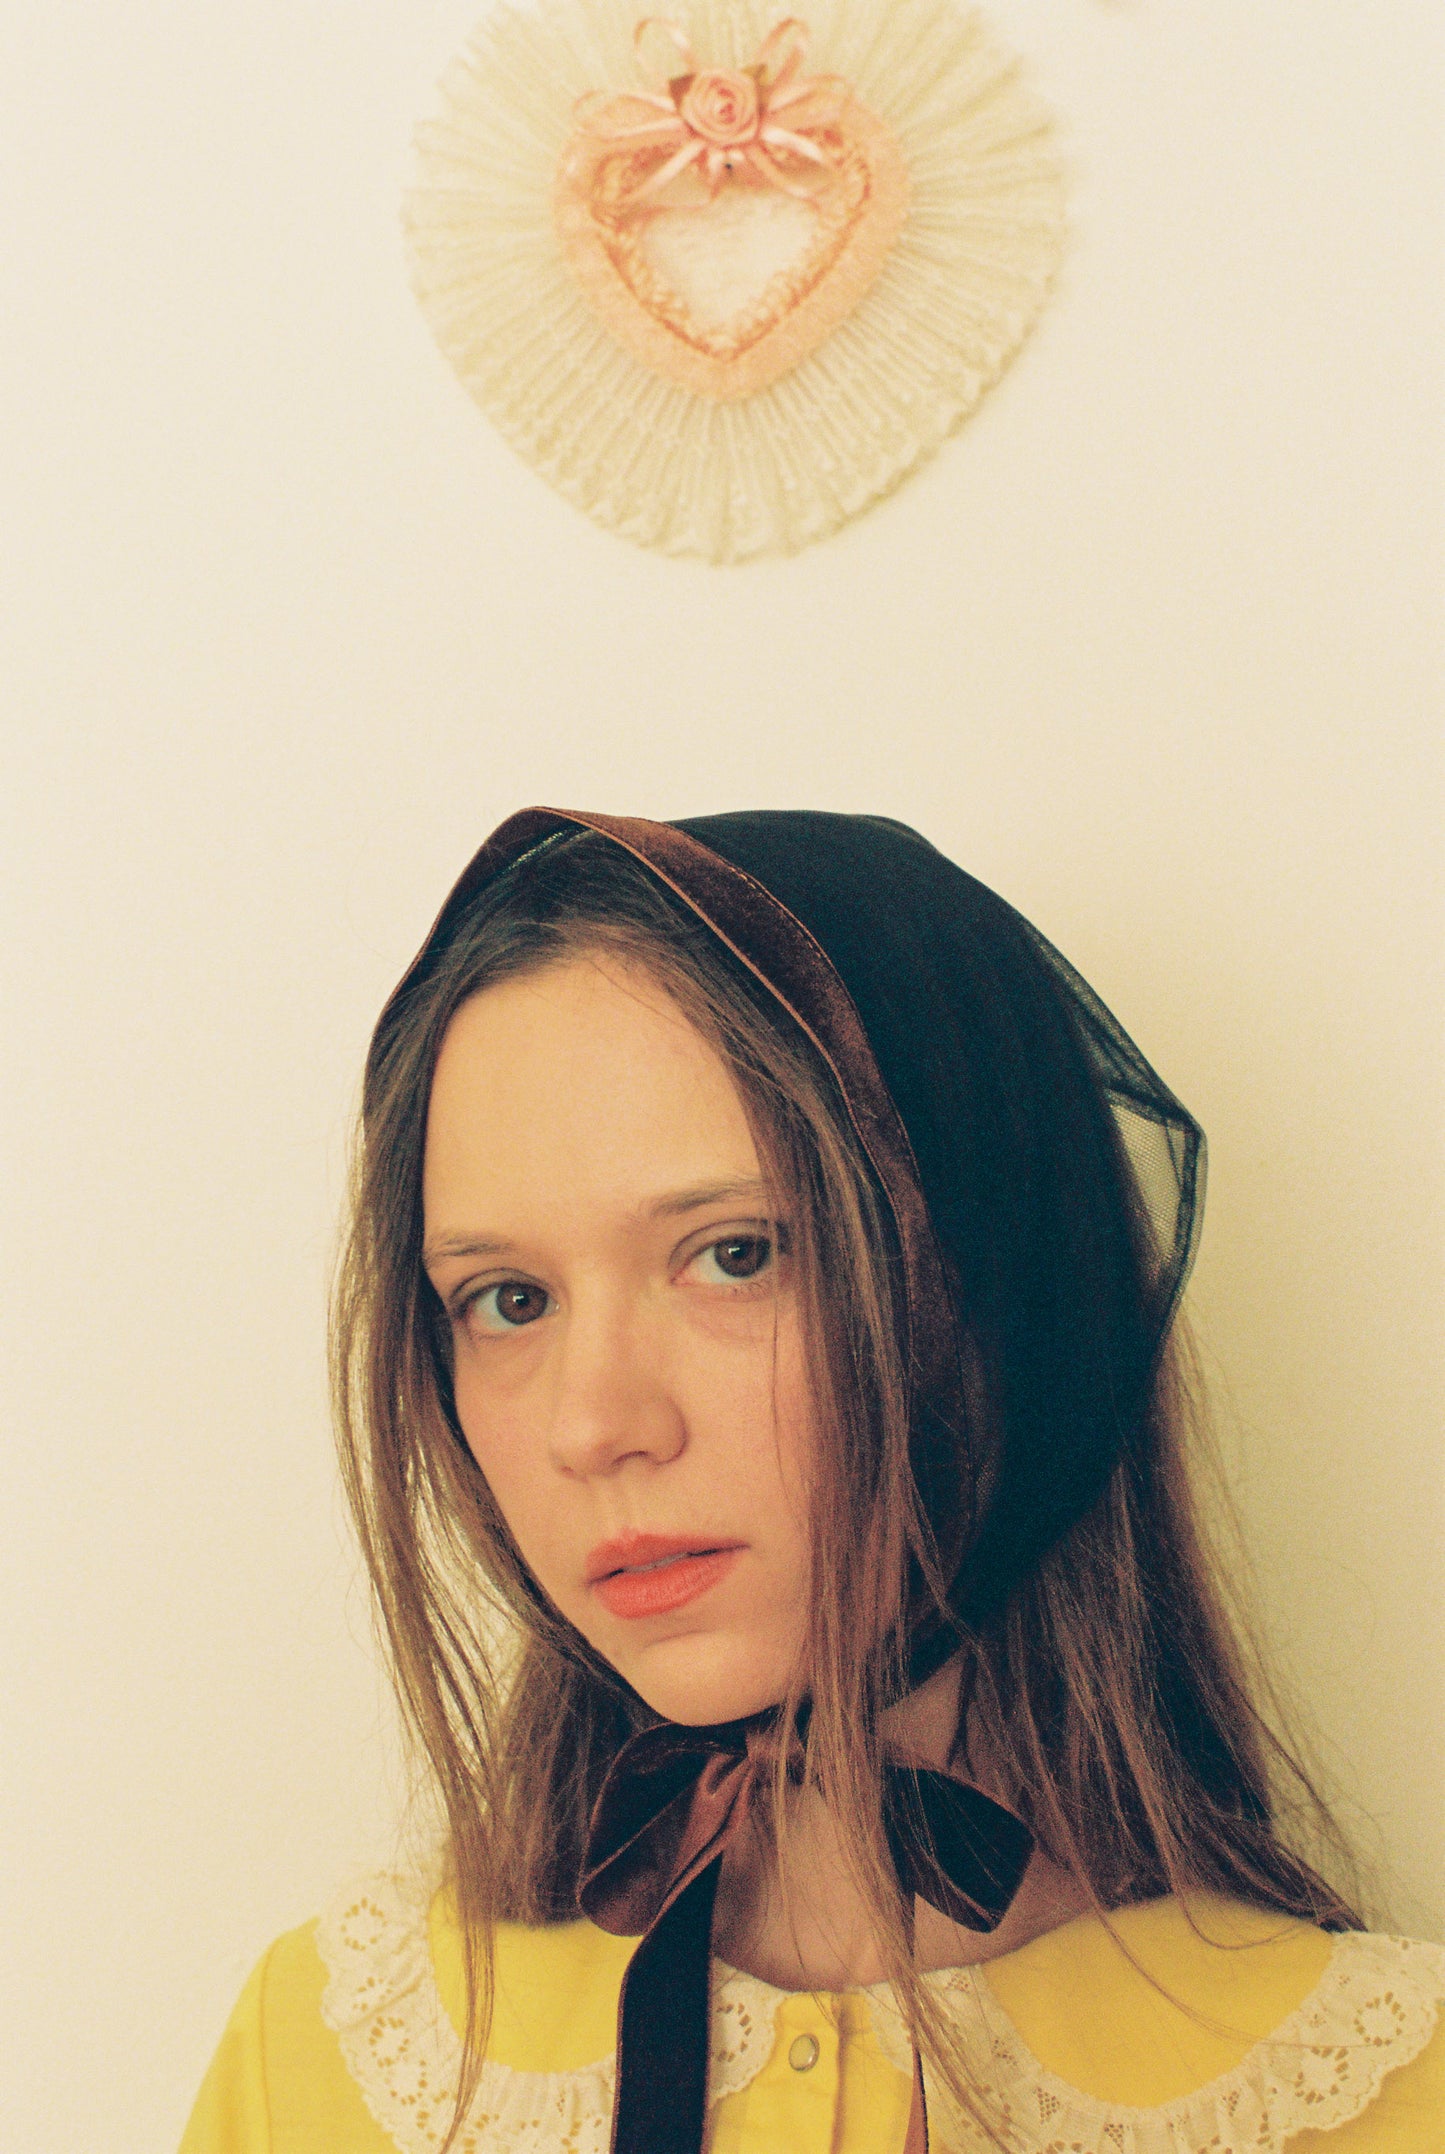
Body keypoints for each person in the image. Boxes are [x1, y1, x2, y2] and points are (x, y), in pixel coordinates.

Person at [180, 808, 1444, 2154]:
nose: (594, 1422)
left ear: (996, 1285)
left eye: (733, 1253)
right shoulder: (333, 2054)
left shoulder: (1368, 2086)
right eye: (506, 1298)